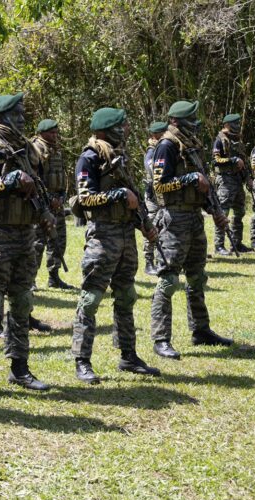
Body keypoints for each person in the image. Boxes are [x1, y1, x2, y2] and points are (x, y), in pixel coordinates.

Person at [0, 92, 54, 399]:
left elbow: (38, 185)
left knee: (21, 303)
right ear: (2, 116)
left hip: (25, 235)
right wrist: (10, 180)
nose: (22, 118)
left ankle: (20, 368)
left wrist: (44, 212)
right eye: (17, 114)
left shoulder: (25, 148)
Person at [70, 108, 161, 384]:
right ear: (109, 129)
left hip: (125, 236)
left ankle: (128, 356)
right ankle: (82, 360)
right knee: (91, 298)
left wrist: (145, 223)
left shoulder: (117, 157)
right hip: (103, 237)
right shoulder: (89, 157)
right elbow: (85, 199)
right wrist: (119, 195)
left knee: (126, 296)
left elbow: (134, 197)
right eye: (122, 125)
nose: (127, 129)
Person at [150, 100, 234, 360]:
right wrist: (188, 179)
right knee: (169, 279)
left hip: (194, 218)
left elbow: (203, 184)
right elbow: (159, 185)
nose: (195, 124)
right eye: (190, 120)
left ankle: (201, 330)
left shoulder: (191, 146)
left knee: (197, 277)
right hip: (174, 220)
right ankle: (161, 338)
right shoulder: (166, 145)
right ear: (176, 121)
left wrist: (216, 211)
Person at [30, 119, 73, 289]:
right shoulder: (35, 149)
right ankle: (30, 279)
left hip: (58, 203)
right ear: (41, 132)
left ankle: (54, 276)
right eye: (51, 133)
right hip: (41, 203)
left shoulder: (56, 150)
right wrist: (48, 199)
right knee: (37, 242)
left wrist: (62, 198)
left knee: (59, 240)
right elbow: (36, 179)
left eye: (56, 132)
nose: (55, 136)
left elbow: (62, 176)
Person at [212, 113, 253, 255]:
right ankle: (219, 245)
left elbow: (244, 162)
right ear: (227, 125)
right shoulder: (220, 140)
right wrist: (233, 160)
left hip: (237, 180)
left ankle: (237, 242)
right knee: (223, 212)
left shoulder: (237, 140)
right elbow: (216, 160)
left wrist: (248, 178)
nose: (237, 125)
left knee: (239, 212)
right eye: (234, 123)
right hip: (225, 180)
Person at [142, 121, 168, 276]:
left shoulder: (161, 149)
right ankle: (149, 261)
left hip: (162, 194)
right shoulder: (151, 151)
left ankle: (161, 259)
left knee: (163, 225)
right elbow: (153, 171)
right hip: (153, 196)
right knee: (151, 225)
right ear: (154, 135)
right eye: (162, 133)